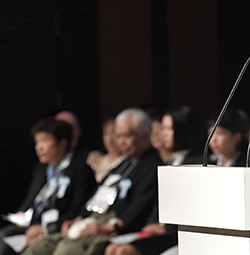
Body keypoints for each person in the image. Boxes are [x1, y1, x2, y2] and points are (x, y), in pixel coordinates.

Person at [23, 108, 163, 255]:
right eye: (118, 136)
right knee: (39, 248)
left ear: (146, 134)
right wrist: (78, 217)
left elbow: (140, 204)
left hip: (114, 227)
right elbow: (98, 193)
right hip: (92, 219)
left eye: (127, 136)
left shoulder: (153, 165)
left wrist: (111, 226)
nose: (121, 142)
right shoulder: (124, 164)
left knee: (67, 250)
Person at [104, 105, 199, 255]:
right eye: (163, 129)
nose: (163, 135)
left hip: (179, 233)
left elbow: (192, 207)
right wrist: (152, 223)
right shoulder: (170, 161)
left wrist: (166, 228)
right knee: (111, 249)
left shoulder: (197, 163)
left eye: (169, 129)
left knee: (125, 252)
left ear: (183, 129)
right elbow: (158, 202)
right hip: (161, 229)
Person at [0, 118, 96, 255]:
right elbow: (31, 198)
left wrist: (46, 229)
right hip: (34, 223)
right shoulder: (41, 169)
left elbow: (76, 211)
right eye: (37, 142)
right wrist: (22, 214)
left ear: (62, 143)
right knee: (2, 236)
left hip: (58, 227)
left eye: (44, 141)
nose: (39, 147)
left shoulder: (79, 170)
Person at [87, 117, 126, 183]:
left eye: (113, 132)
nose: (109, 138)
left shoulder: (128, 161)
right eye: (106, 133)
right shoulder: (97, 161)